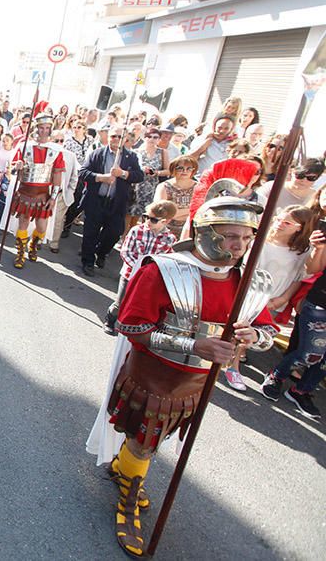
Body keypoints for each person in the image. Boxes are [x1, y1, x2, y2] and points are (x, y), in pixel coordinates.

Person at [86, 196, 277, 558]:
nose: (239, 245)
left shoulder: (245, 279)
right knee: (144, 441)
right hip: (154, 375)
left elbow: (266, 328)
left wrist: (256, 336)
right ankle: (127, 498)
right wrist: (193, 344)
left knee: (152, 441)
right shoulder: (163, 270)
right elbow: (131, 325)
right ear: (205, 233)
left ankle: (124, 469)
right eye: (231, 236)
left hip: (198, 383)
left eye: (247, 237)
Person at [220, 205, 314, 391]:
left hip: (275, 299)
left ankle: (231, 361)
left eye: (286, 222)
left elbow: (299, 277)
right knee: (239, 329)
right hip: (251, 294)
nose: (279, 224)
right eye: (278, 218)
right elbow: (245, 268)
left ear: (300, 228)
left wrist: (282, 299)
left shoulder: (303, 250)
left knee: (253, 333)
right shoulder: (258, 240)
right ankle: (232, 367)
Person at [260, 196, 326, 419]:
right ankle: (277, 375)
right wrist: (319, 248)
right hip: (321, 303)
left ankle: (302, 391)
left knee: (323, 359)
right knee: (312, 353)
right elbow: (313, 269)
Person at [103, 200, 178, 335]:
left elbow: (168, 259)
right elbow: (126, 251)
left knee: (138, 305)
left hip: (149, 280)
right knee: (121, 302)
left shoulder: (169, 239)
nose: (148, 221)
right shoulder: (137, 231)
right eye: (146, 217)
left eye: (153, 220)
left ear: (165, 221)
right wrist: (138, 267)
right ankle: (110, 320)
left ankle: (128, 325)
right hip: (129, 274)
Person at [78, 128, 144, 277]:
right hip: (96, 200)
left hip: (117, 203)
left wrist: (123, 173)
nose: (116, 139)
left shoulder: (131, 157)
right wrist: (101, 177)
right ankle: (87, 261)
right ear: (108, 137)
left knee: (115, 232)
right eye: (113, 136)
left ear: (125, 139)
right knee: (90, 232)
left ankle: (101, 252)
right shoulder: (98, 153)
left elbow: (139, 176)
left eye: (120, 137)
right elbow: (83, 172)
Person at [7, 114, 65, 268]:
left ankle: (33, 244)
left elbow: (57, 175)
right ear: (36, 128)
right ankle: (20, 252)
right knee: (23, 222)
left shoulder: (56, 150)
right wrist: (17, 166)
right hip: (25, 192)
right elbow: (13, 171)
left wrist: (53, 198)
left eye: (47, 128)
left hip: (43, 194)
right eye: (41, 127)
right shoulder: (24, 146)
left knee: (41, 227)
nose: (44, 131)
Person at [126, 127, 169, 238]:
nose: (152, 139)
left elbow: (168, 170)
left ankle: (136, 236)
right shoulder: (136, 152)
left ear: (159, 139)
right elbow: (128, 168)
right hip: (135, 186)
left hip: (150, 187)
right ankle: (125, 236)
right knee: (128, 213)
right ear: (144, 138)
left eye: (155, 137)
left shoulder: (162, 152)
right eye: (149, 136)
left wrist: (156, 172)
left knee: (143, 215)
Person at [61, 120, 94, 237]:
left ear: (84, 129)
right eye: (74, 127)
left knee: (79, 202)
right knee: (71, 198)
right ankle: (65, 226)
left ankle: (69, 221)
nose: (76, 129)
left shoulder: (90, 140)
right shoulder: (69, 141)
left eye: (79, 127)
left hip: (87, 173)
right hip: (73, 173)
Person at [256, 157, 323, 214]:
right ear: (291, 171)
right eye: (300, 175)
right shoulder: (272, 187)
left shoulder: (317, 198)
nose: (304, 180)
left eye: (311, 178)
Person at [154, 155, 198, 236]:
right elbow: (161, 212)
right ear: (173, 169)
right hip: (167, 231)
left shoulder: (199, 187)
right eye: (180, 168)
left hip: (191, 230)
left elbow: (201, 210)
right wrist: (190, 211)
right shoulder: (163, 187)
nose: (185, 171)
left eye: (189, 168)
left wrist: (177, 213)